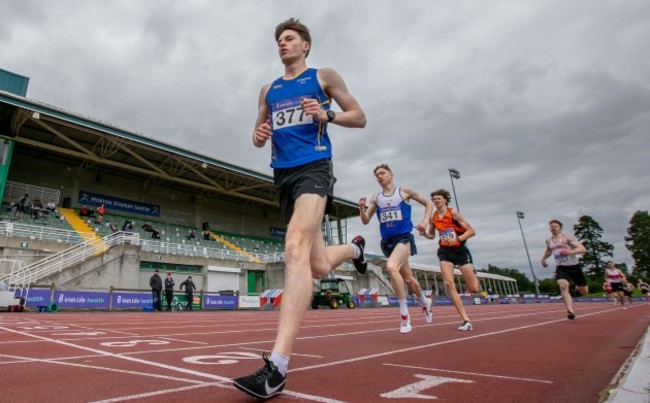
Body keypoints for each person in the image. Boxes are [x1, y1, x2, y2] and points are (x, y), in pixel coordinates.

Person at [233, 17, 367, 400]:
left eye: (289, 38)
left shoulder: (323, 77)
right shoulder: (268, 90)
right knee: (319, 265)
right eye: (278, 40)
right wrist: (258, 135)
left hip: (315, 169)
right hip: (283, 176)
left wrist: (328, 115)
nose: (282, 44)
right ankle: (355, 249)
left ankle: (277, 367)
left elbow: (359, 116)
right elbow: (258, 136)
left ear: (305, 45)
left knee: (293, 248)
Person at [358, 164, 433, 333]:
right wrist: (361, 208)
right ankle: (424, 300)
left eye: (383, 173)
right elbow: (365, 220)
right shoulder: (376, 198)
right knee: (408, 279)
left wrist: (424, 222)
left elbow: (428, 204)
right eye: (377, 175)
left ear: (391, 175)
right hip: (388, 242)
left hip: (404, 238)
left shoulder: (404, 191)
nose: (380, 176)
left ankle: (404, 316)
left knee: (391, 267)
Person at [419, 189, 479, 331]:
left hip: (460, 251)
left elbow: (471, 231)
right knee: (449, 283)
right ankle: (466, 319)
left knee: (473, 289)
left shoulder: (453, 213)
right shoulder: (433, 217)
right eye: (434, 199)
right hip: (445, 252)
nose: (436, 201)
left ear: (445, 200)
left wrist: (457, 239)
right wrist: (424, 233)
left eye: (439, 199)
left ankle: (474, 276)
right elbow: (432, 235)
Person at [541, 219, 587, 320]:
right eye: (551, 226)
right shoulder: (549, 241)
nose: (553, 228)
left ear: (560, 228)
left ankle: (577, 287)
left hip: (574, 267)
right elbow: (549, 251)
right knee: (563, 285)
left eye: (555, 226)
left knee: (584, 291)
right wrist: (543, 259)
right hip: (561, 268)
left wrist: (570, 252)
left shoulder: (566, 238)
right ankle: (570, 311)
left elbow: (583, 249)